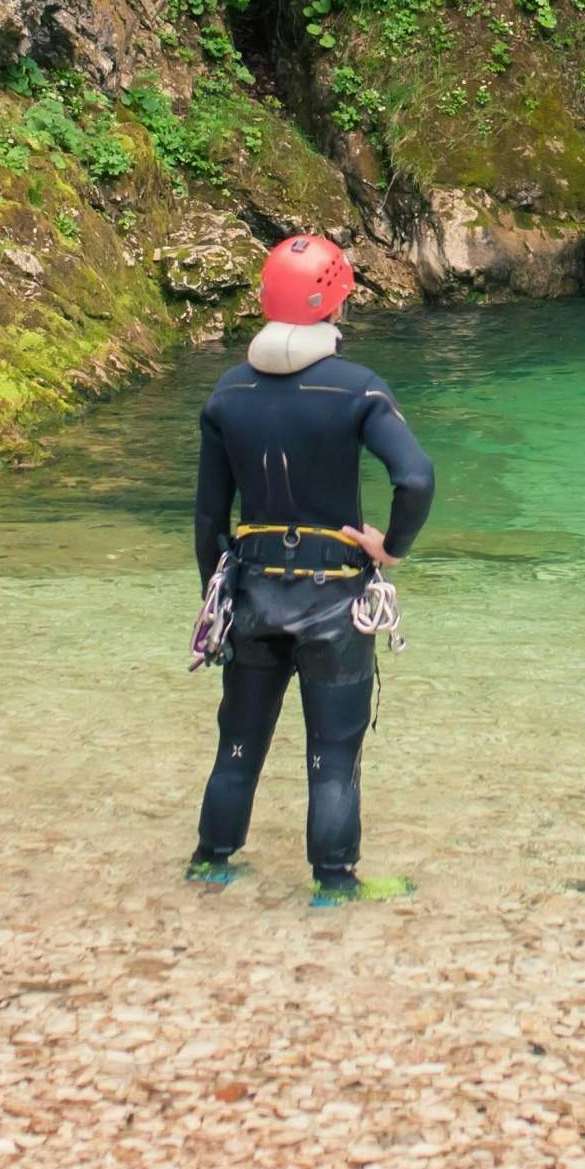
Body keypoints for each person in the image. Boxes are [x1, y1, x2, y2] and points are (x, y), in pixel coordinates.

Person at [186, 234, 436, 907]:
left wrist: (219, 597)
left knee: (238, 741)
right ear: (332, 302)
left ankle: (211, 862)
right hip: (333, 598)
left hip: (250, 591)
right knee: (332, 753)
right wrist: (393, 545)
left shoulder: (227, 390)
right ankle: (333, 885)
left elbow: (208, 519)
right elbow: (414, 476)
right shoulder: (356, 388)